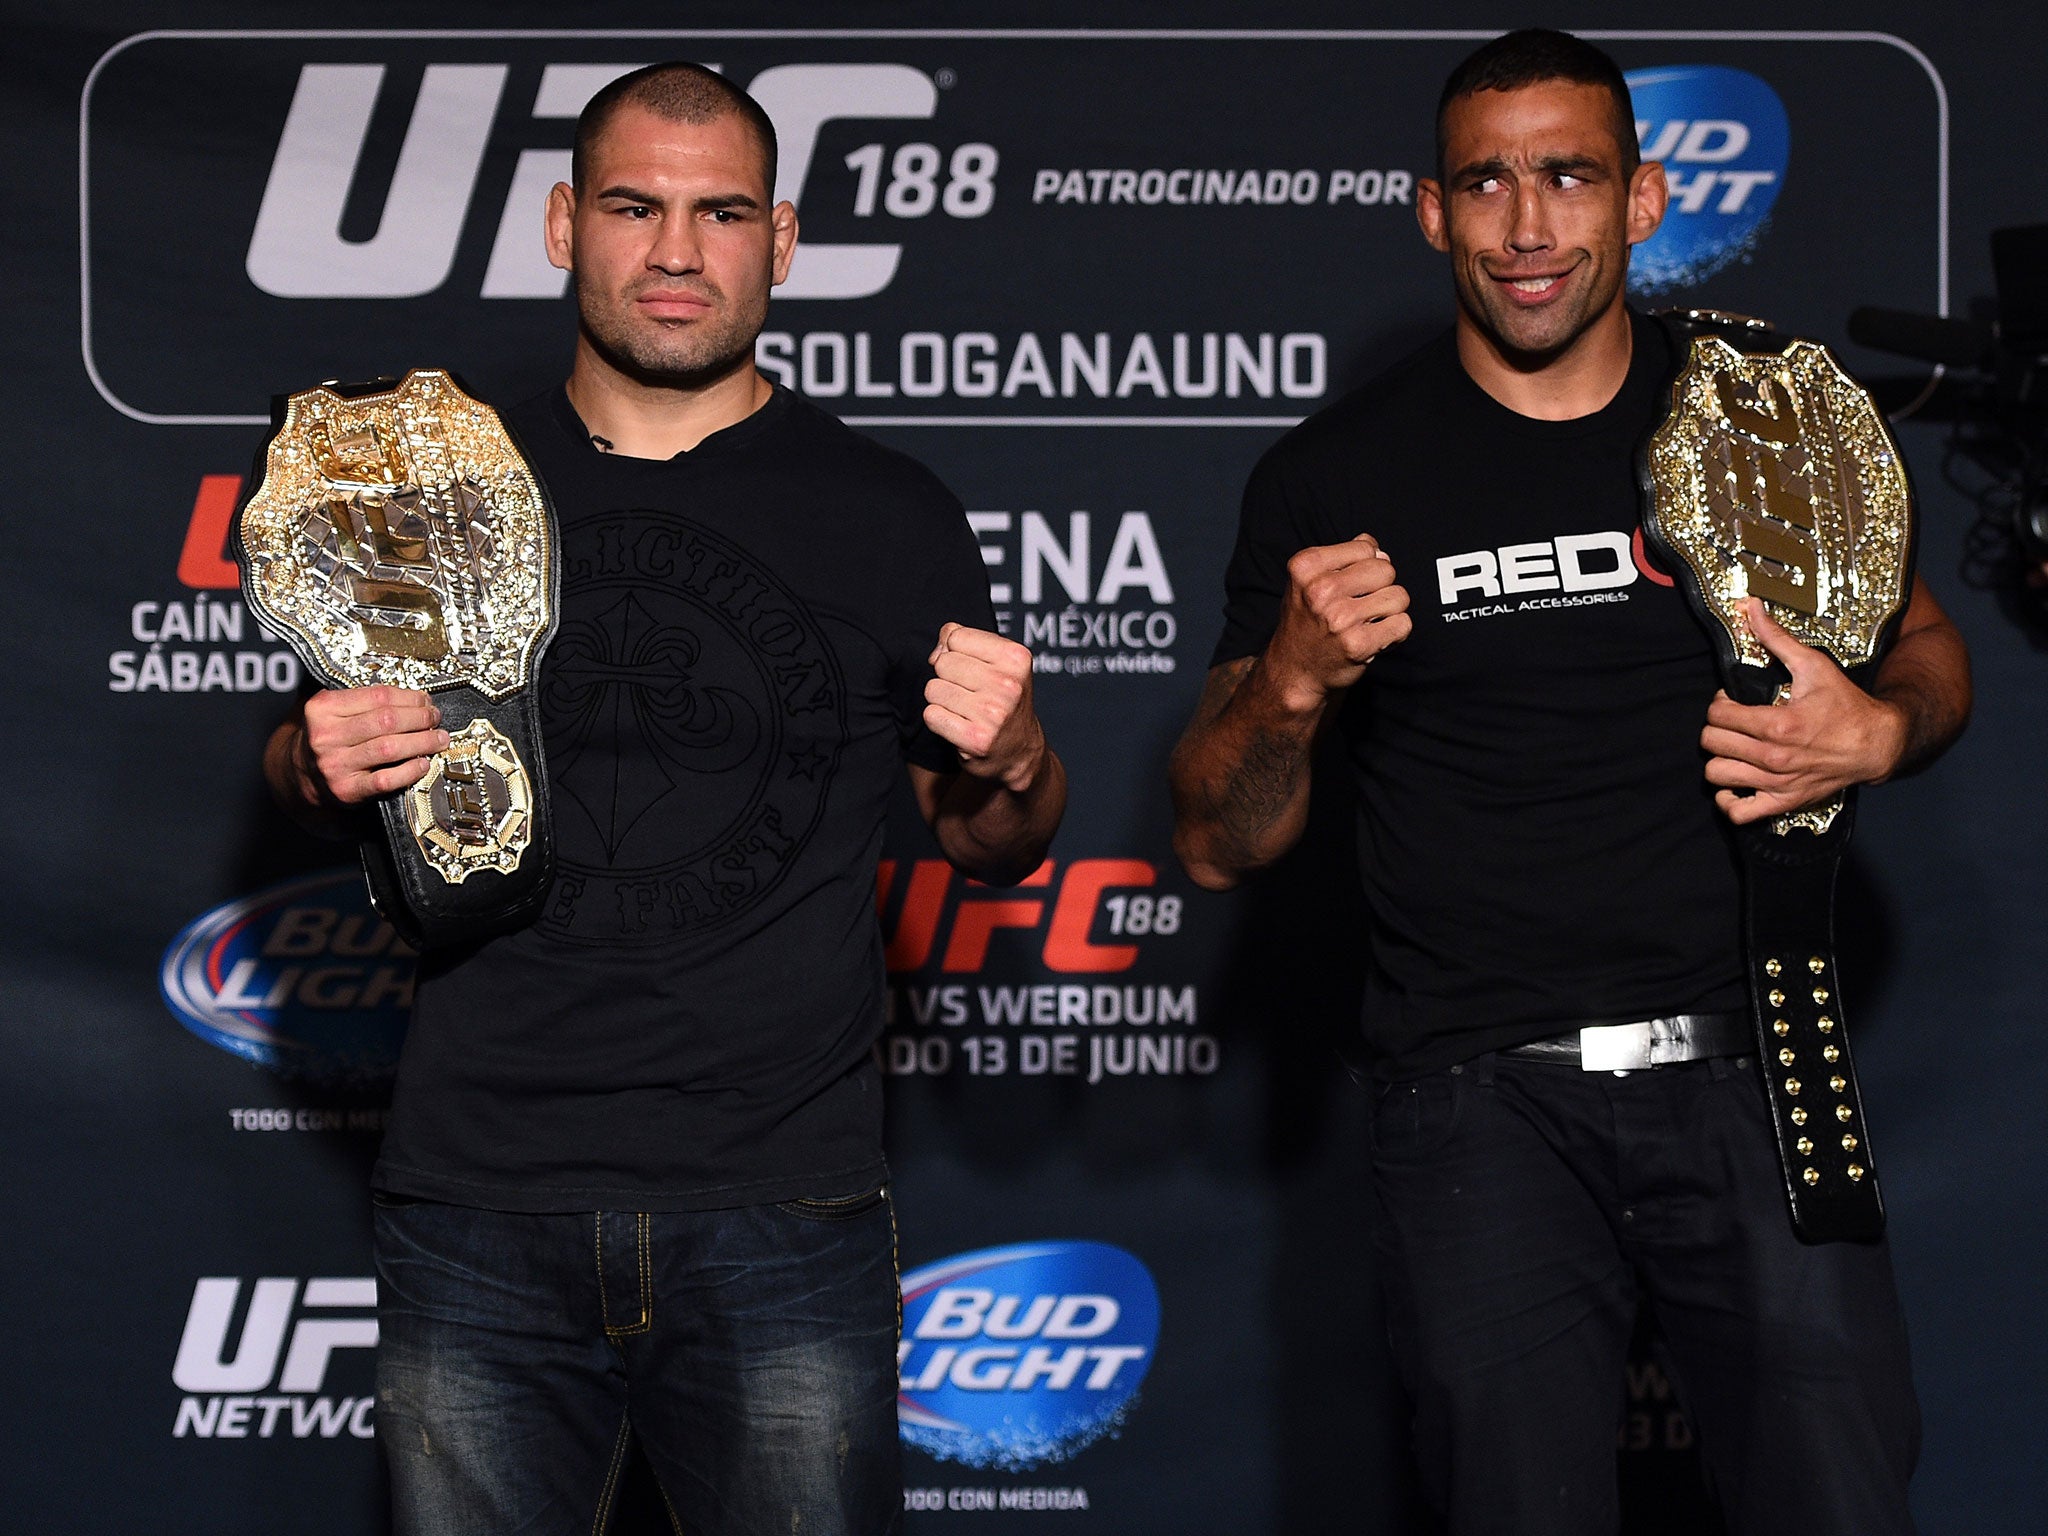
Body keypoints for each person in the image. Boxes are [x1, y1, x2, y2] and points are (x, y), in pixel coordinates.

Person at [1169, 29, 1968, 1536]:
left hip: (1757, 1063)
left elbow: (1928, 659)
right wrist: (1286, 681)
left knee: (1844, 1506)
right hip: (1477, 1104)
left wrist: (1876, 730)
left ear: (1644, 198)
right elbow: (1217, 842)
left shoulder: (1754, 419)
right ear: (1431, 212)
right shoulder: (1335, 477)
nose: (1528, 227)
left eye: (1569, 176)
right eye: (1487, 183)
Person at [261, 62, 1066, 1536]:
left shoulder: (891, 514)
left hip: (783, 1203)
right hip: (480, 1197)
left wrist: (1018, 762)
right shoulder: (438, 483)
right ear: (566, 224)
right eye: (636, 207)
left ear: (785, 239)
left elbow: (989, 841)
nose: (679, 253)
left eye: (722, 212)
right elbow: (304, 765)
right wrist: (313, 759)